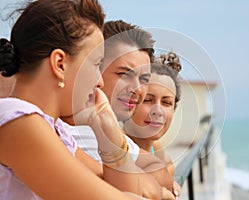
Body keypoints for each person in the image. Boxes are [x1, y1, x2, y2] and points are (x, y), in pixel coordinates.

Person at [0, 0, 161, 199]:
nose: (99, 81)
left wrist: (105, 126)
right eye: (95, 64)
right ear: (59, 64)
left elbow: (131, 189)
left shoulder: (54, 131)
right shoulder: (18, 121)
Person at [67, 19, 176, 197]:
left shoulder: (106, 127)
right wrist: (155, 189)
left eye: (144, 79)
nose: (137, 89)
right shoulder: (79, 129)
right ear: (95, 69)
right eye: (124, 74)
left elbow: (161, 173)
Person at [123, 52, 182, 198]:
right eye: (148, 100)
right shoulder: (115, 146)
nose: (158, 110)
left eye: (167, 103)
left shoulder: (161, 156)